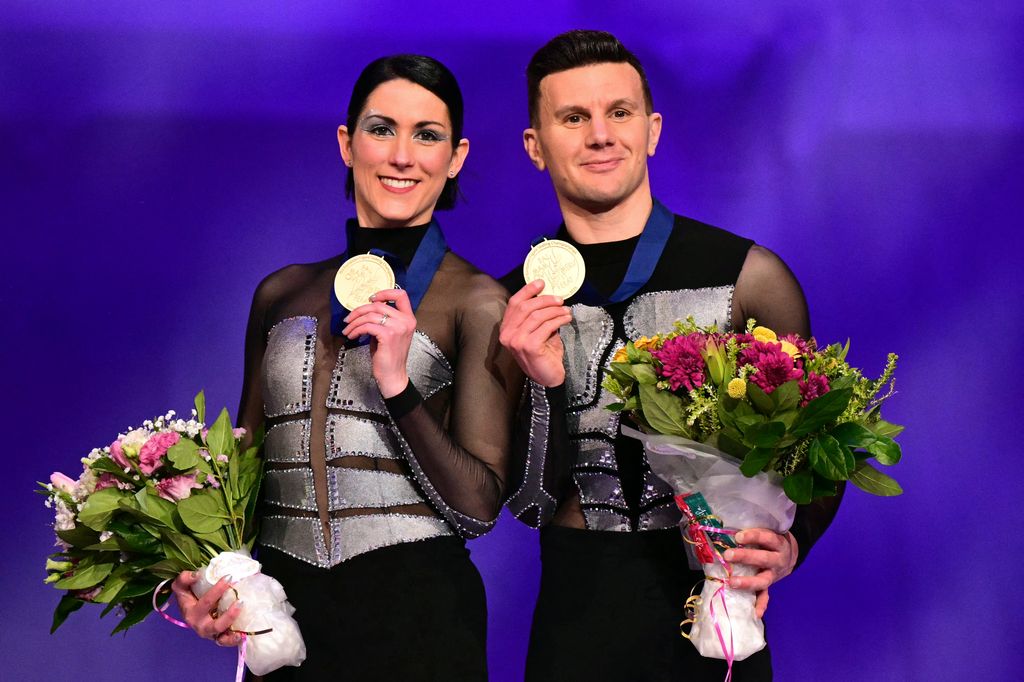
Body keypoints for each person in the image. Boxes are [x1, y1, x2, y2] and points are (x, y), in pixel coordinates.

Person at [499, 30, 843, 681]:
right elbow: (527, 505)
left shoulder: (750, 277)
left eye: (619, 112)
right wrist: (544, 386)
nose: (601, 135)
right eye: (574, 118)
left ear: (652, 129)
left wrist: (790, 545)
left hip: (717, 617)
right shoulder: (509, 302)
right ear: (535, 146)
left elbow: (820, 454)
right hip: (574, 630)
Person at [172, 54, 521, 681]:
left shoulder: (479, 300)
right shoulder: (280, 293)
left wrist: (396, 384)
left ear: (457, 156)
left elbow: (477, 507)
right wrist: (207, 580)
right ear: (346, 142)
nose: (402, 156)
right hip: (285, 624)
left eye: (428, 135)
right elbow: (240, 476)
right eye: (381, 129)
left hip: (421, 623)